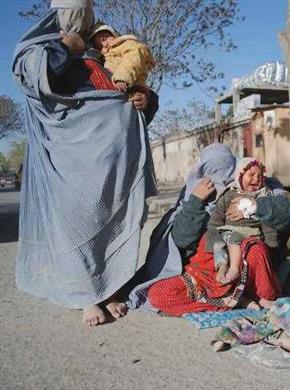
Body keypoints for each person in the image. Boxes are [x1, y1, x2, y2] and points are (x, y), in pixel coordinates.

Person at [12, 0, 158, 326]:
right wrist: (66, 46)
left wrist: (144, 100)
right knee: (78, 225)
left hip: (115, 165)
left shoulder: (104, 56)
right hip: (70, 166)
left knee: (116, 226)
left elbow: (128, 97)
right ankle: (86, 296)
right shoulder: (41, 51)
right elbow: (35, 78)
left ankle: (110, 289)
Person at [125, 143, 290, 315]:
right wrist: (195, 202)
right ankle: (230, 302)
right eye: (211, 170)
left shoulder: (259, 184)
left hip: (245, 270)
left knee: (255, 250)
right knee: (159, 295)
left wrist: (254, 205)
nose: (219, 178)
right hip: (203, 277)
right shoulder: (194, 192)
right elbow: (182, 240)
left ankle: (253, 296)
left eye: (226, 170)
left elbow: (289, 211)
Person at [206, 158, 276, 287]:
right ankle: (222, 265)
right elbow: (216, 220)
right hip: (227, 230)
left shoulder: (264, 197)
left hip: (249, 231)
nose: (256, 179)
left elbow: (268, 222)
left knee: (234, 239)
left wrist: (271, 244)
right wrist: (210, 245)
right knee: (217, 241)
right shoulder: (228, 194)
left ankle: (234, 268)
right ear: (239, 176)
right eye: (251, 175)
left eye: (260, 176)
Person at [89, 23, 155, 92]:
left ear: (114, 34)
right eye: (99, 47)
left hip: (129, 82)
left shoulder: (126, 44)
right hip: (120, 88)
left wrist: (122, 77)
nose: (104, 45)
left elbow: (133, 58)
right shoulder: (104, 57)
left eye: (104, 39)